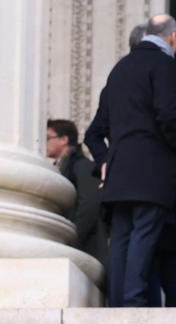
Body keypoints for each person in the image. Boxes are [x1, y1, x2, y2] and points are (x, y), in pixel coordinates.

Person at [85, 14, 176, 306]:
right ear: (172, 37)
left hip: (120, 172)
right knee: (144, 234)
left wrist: (104, 162)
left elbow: (98, 130)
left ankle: (118, 302)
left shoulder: (119, 70)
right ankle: (134, 301)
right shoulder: (164, 64)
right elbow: (168, 114)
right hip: (152, 170)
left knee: (123, 238)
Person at [47, 119, 107, 269]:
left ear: (64, 140)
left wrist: (72, 236)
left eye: (48, 138)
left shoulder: (82, 165)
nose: (44, 142)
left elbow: (90, 204)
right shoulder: (61, 167)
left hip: (83, 248)